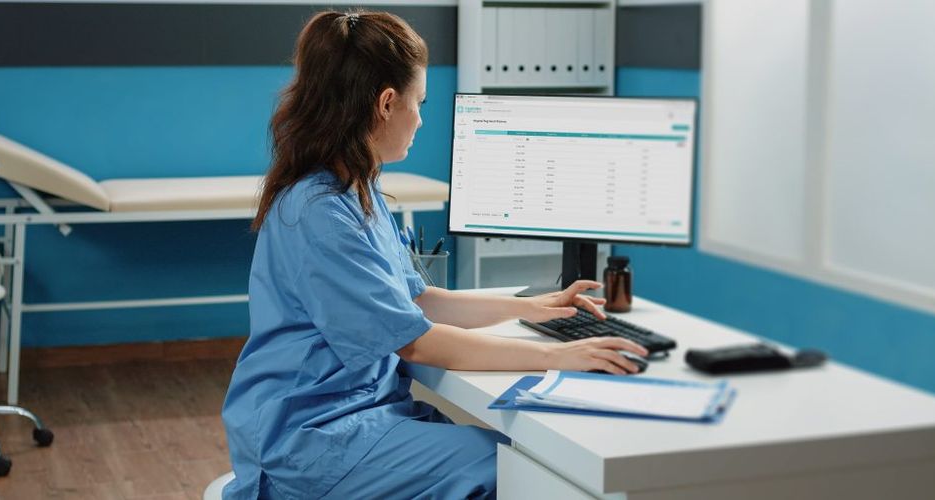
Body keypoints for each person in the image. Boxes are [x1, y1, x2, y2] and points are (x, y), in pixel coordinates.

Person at [221, 11, 648, 499]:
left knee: (516, 455)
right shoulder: (321, 212)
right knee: (510, 468)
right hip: (309, 439)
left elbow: (418, 302)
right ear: (386, 103)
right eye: (418, 103)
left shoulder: (356, 189)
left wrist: (534, 306)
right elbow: (417, 342)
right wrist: (557, 356)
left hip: (355, 416)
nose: (421, 119)